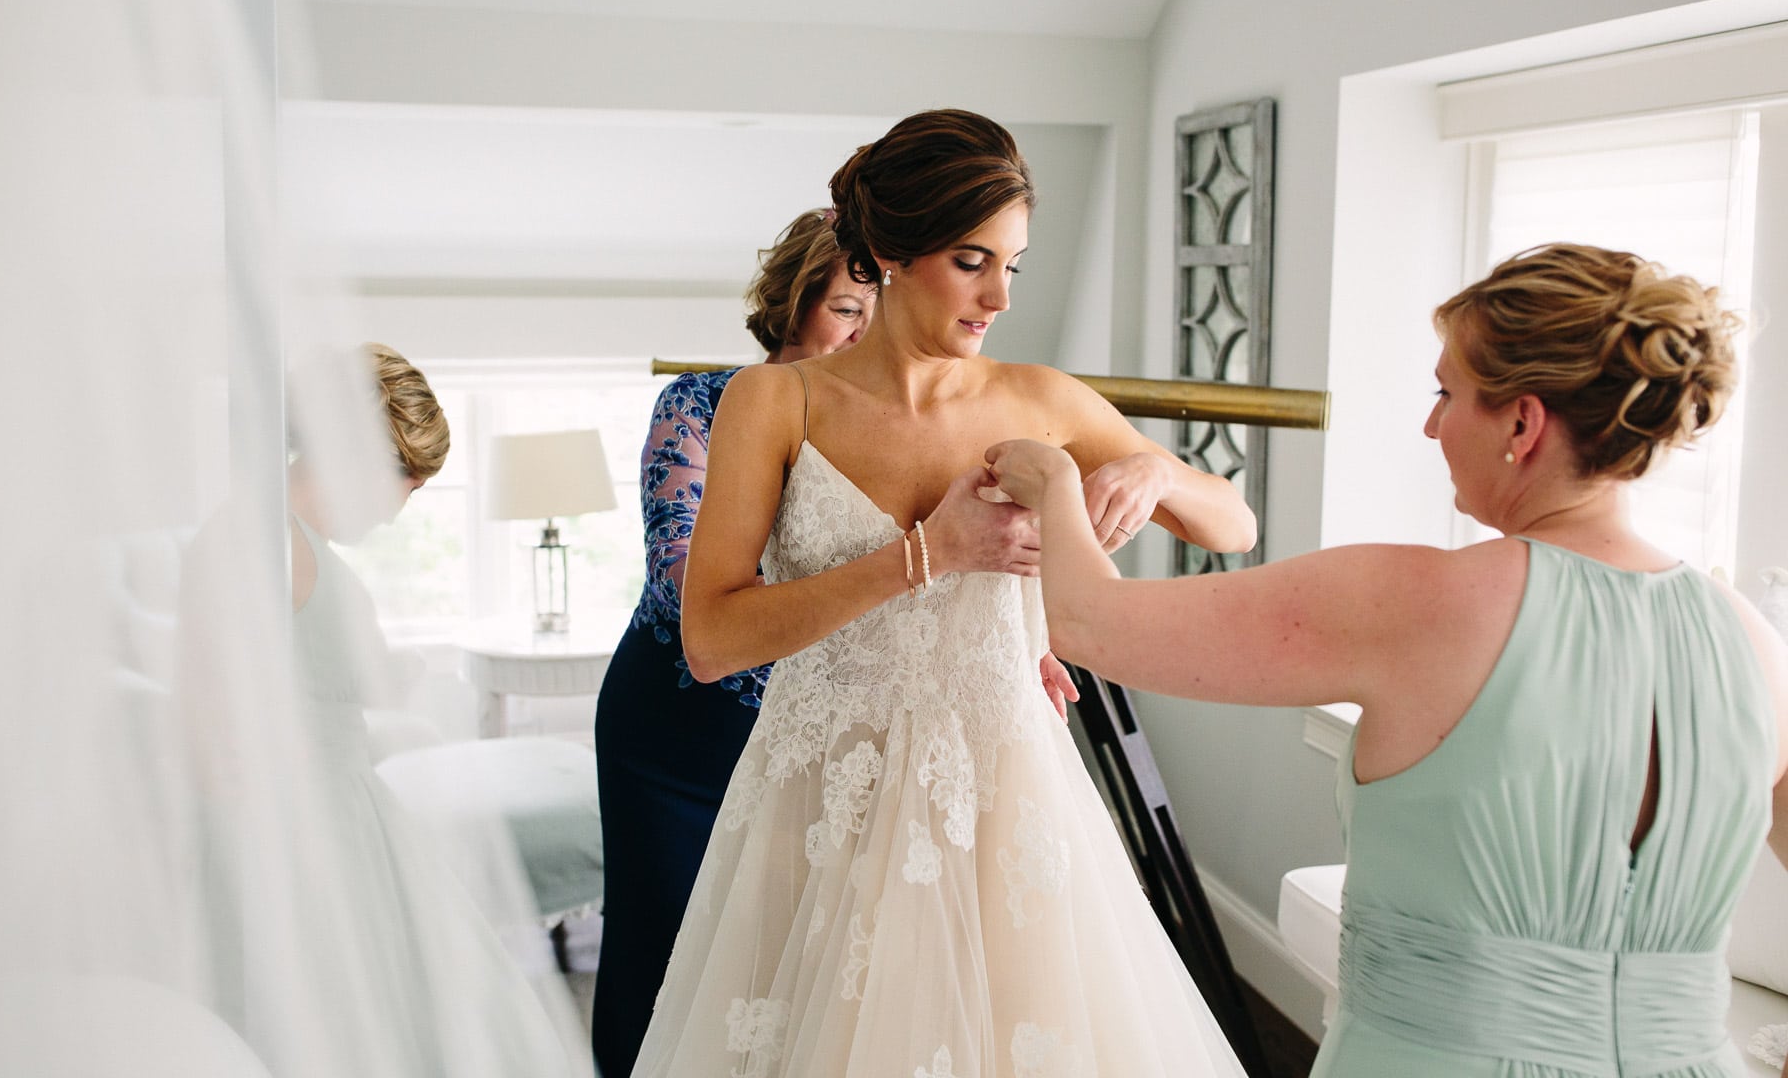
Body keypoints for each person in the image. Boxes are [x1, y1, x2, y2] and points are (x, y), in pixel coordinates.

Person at [987, 242, 1788, 1078]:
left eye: (1448, 393)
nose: (1431, 424)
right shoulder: (1753, 641)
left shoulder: (1420, 601)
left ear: (1523, 422)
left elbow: (1090, 623)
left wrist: (1053, 481)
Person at [630, 110, 1255, 1078]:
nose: (1001, 295)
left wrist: (1163, 477)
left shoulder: (1040, 397)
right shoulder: (778, 403)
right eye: (973, 261)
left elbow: (1236, 526)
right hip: (819, 800)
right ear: (887, 252)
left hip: (1003, 806)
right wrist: (926, 553)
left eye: (1015, 264)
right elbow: (712, 637)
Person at [193, 342, 581, 1078]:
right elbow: (216, 721)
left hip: (346, 818)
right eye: (409, 482)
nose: (401, 511)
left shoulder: (292, 542)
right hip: (303, 831)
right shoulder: (260, 540)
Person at [591, 208, 875, 1078]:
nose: (861, 338)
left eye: (878, 320)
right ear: (794, 303)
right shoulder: (699, 403)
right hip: (674, 736)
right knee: (663, 951)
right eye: (846, 311)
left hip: (818, 734)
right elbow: (686, 586)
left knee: (791, 965)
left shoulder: (885, 433)